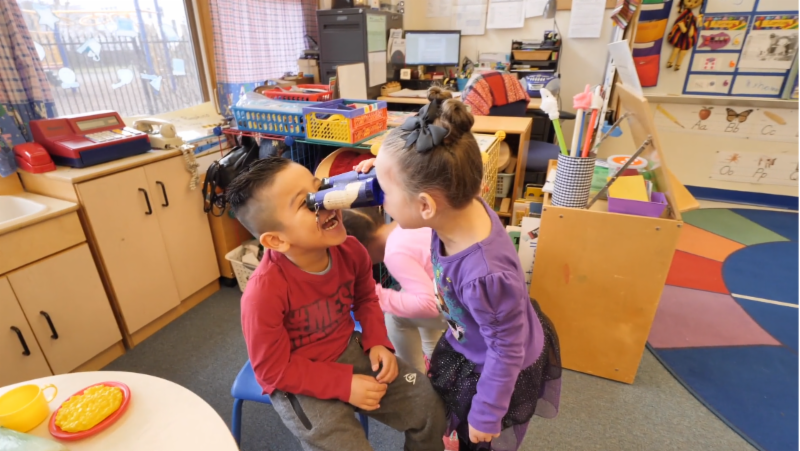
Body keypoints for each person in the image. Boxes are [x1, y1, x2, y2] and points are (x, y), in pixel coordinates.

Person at [372, 87, 562, 451]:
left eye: (384, 191)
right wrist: (382, 171)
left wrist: (487, 413)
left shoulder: (484, 275)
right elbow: (416, 188)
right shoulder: (459, 202)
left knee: (476, 440)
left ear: (426, 205)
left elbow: (506, 350)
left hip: (498, 361)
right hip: (472, 338)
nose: (383, 200)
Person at [226, 158, 447, 451]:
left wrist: (377, 341)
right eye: (308, 203)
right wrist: (345, 385)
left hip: (350, 351)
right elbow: (271, 371)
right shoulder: (263, 294)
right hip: (298, 378)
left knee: (430, 409)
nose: (326, 202)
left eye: (321, 190)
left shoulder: (350, 250)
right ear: (276, 240)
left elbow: (366, 297)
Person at [341, 208, 446, 374]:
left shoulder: (394, 252)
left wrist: (374, 294)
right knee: (409, 293)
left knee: (395, 318)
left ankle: (414, 375)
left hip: (462, 313)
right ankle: (435, 359)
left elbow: (429, 305)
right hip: (462, 292)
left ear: (359, 249)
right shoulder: (404, 225)